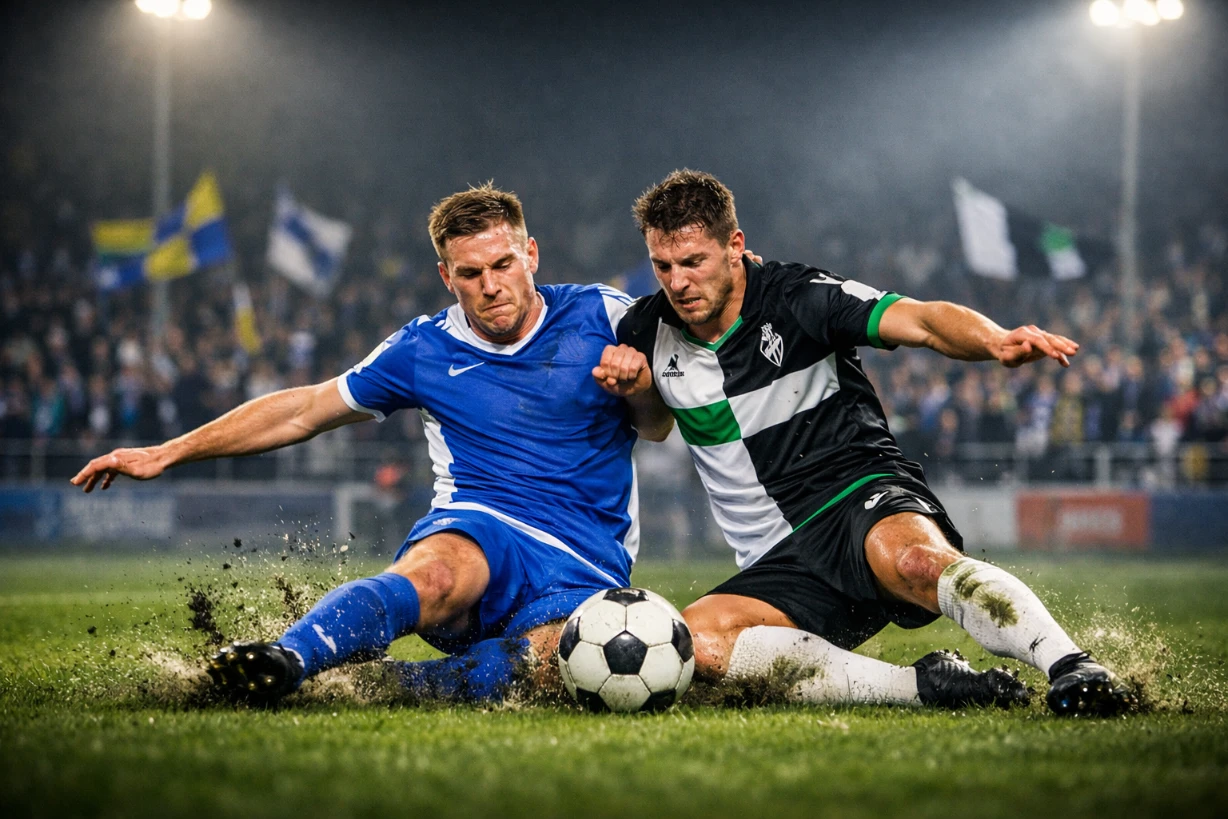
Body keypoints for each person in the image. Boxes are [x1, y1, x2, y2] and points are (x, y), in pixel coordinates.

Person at [72, 183, 653, 703]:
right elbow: (303, 411)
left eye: (503, 264)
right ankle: (286, 659)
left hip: (585, 562)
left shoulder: (603, 315)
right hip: (484, 526)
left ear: (530, 254)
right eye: (470, 275)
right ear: (446, 277)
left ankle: (394, 684)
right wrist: (168, 451)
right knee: (436, 577)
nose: (490, 286)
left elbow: (657, 423)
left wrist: (642, 385)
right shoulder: (423, 350)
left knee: (556, 663)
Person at [594, 169, 1133, 716]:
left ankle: (1071, 664)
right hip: (777, 559)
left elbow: (921, 320)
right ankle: (926, 687)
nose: (677, 283)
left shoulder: (799, 297)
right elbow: (655, 426)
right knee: (695, 646)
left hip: (856, 500)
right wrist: (638, 390)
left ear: (735, 247)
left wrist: (996, 340)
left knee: (916, 561)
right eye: (663, 266)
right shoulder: (645, 328)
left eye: (693, 263)